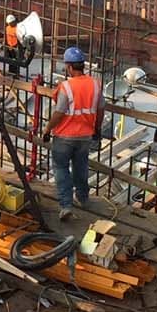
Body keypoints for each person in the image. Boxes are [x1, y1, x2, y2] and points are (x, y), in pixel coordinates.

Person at [46, 47, 102, 220]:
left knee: (61, 168)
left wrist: (47, 129)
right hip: (85, 136)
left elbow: (59, 112)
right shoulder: (95, 84)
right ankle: (83, 197)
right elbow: (100, 110)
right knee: (81, 166)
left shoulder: (66, 87)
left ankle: (66, 205)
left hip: (64, 136)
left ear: (69, 67)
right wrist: (97, 130)